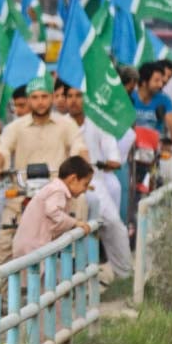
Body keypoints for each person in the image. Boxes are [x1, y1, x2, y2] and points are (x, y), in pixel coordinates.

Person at [0, 74, 88, 268]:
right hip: (23, 193)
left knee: (82, 204)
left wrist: (83, 164)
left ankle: (76, 271)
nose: (40, 102)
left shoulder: (66, 125)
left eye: (44, 96)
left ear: (51, 97)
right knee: (4, 239)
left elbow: (78, 147)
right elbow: (1, 149)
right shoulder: (15, 127)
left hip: (59, 192)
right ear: (28, 99)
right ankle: (1, 292)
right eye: (34, 97)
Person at [66, 86, 133, 279]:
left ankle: (125, 275)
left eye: (78, 96)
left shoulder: (98, 123)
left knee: (113, 223)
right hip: (62, 184)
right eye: (69, 96)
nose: (73, 100)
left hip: (93, 182)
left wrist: (108, 162)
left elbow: (114, 157)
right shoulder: (60, 124)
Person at [12, 156, 92, 259]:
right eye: (85, 184)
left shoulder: (55, 188)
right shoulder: (57, 191)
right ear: (73, 179)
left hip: (33, 245)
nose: (85, 190)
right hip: (32, 247)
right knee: (34, 274)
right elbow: (53, 212)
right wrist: (75, 223)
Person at [131, 61, 172, 184]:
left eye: (161, 80)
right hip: (132, 149)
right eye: (156, 80)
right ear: (143, 82)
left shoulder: (164, 100)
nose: (161, 84)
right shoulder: (130, 98)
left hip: (156, 149)